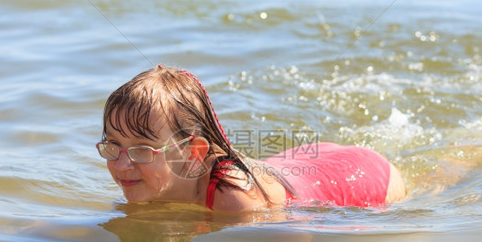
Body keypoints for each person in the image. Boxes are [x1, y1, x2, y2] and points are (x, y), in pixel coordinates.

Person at [96, 65, 406, 213]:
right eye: (113, 146)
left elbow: (292, 241)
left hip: (361, 176)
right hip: (295, 163)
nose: (122, 164)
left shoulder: (237, 200)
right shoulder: (148, 181)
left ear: (193, 154)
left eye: (141, 150)